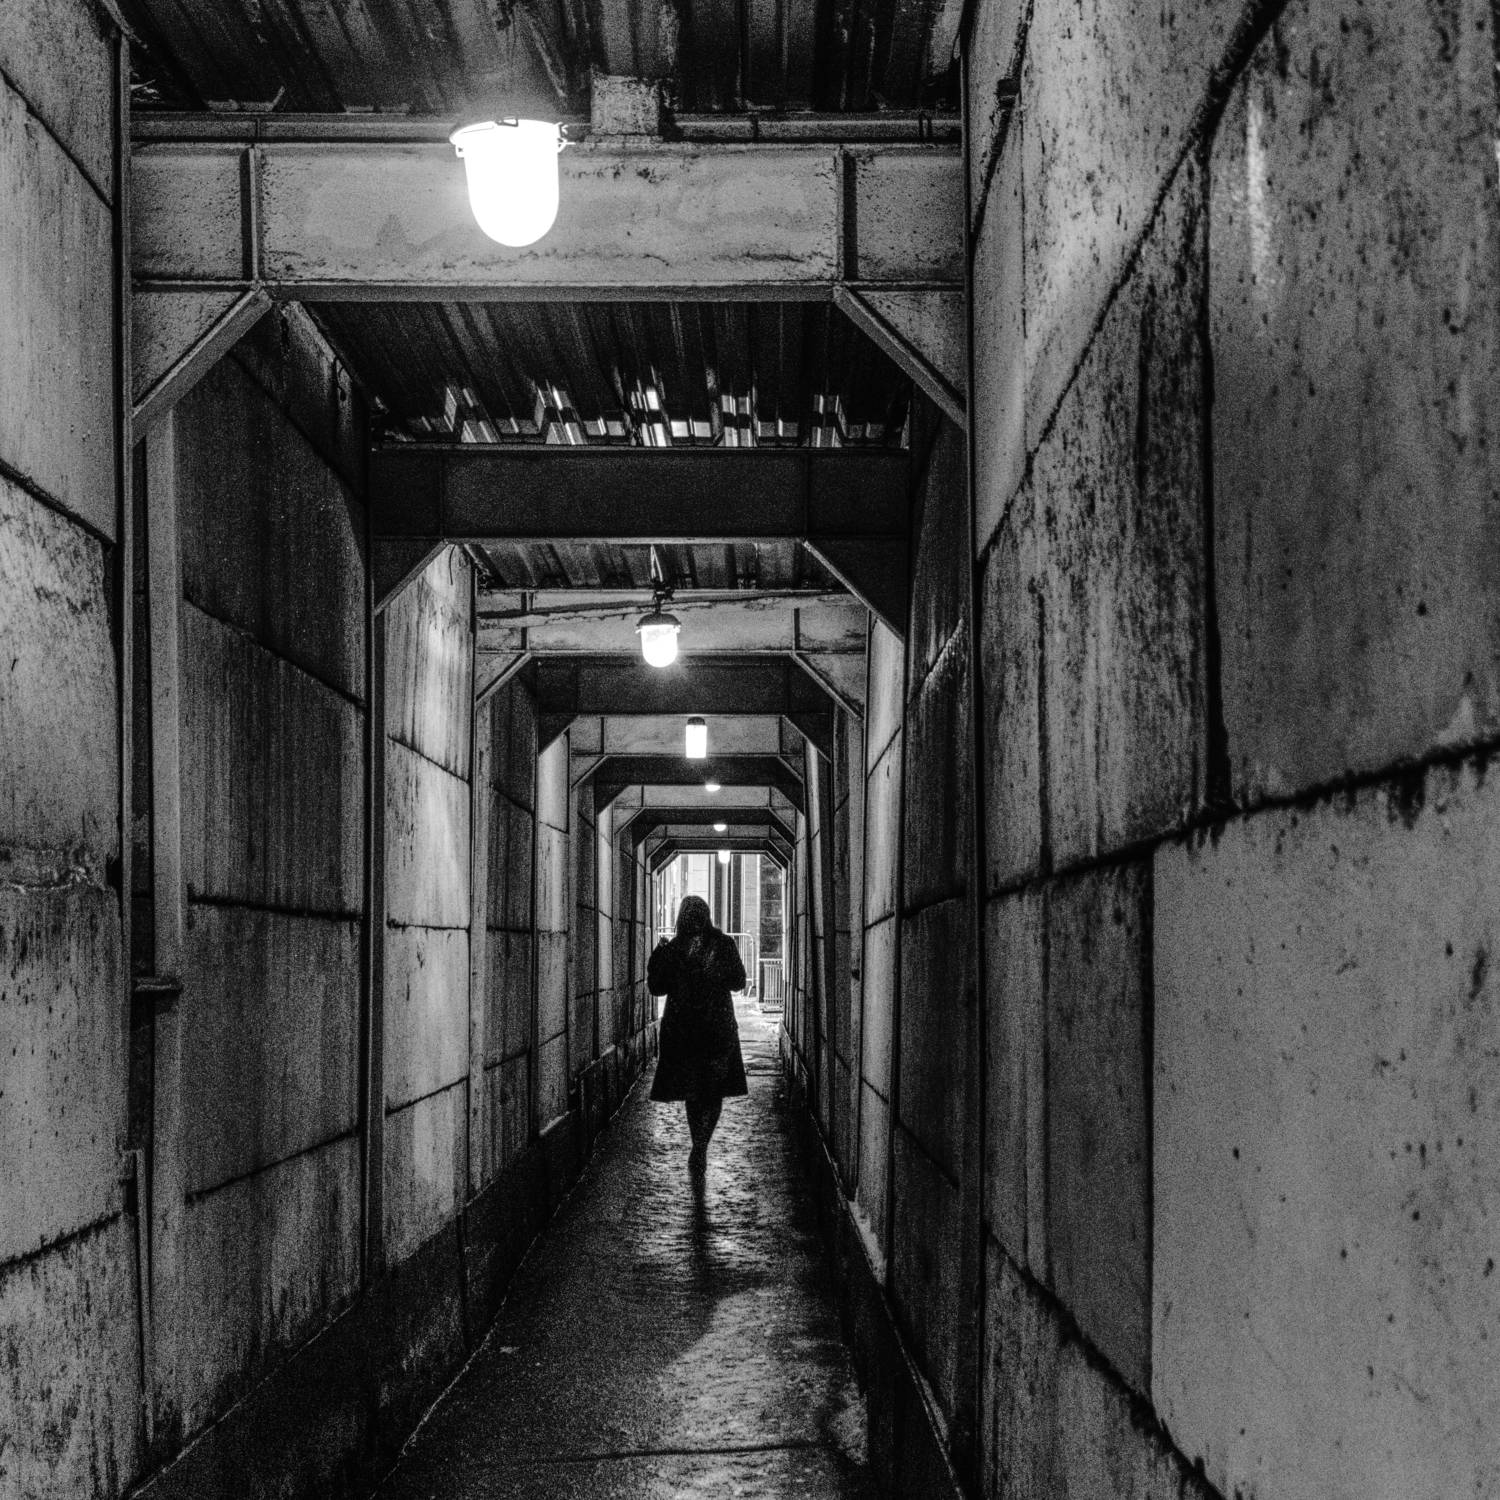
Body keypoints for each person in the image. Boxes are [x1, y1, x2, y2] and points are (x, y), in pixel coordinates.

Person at [647, 894, 748, 1176]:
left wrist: (660, 956)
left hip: (689, 1032)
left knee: (698, 1092)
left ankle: (699, 1145)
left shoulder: (679, 947)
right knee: (709, 1091)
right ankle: (700, 1145)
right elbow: (739, 981)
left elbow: (657, 987)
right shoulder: (718, 944)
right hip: (714, 1031)